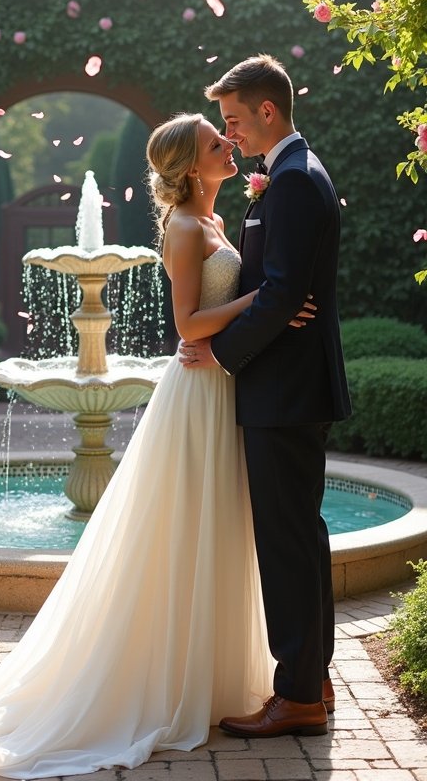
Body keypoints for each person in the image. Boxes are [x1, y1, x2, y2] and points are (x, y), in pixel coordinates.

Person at [0, 113, 312, 778]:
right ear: (190, 167)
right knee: (182, 529)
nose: (230, 146)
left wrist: (262, 308)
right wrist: (263, 299)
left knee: (219, 528)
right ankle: (165, 684)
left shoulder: (222, 222)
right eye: (214, 144)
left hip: (224, 387)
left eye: (226, 139)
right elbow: (187, 324)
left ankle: (218, 677)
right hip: (196, 396)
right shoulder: (186, 230)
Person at [179, 55, 351, 739]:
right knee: (300, 538)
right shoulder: (288, 178)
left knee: (287, 543)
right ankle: (313, 679)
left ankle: (297, 696)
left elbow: (283, 294)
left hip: (284, 390)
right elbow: (279, 290)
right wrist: (274, 305)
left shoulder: (293, 184)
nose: (232, 134)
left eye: (234, 121)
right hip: (290, 387)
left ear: (267, 112)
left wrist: (218, 355)